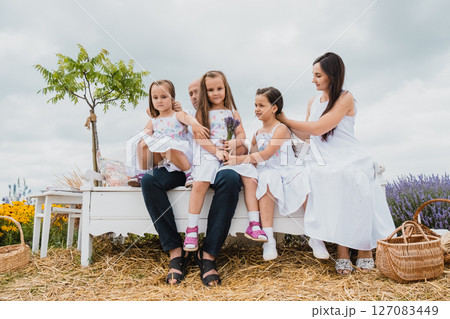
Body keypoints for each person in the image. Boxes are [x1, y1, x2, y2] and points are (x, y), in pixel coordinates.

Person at [277, 52, 395, 275]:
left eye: (318, 75)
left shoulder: (345, 97)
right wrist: (281, 126)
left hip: (348, 153)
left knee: (351, 176)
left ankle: (363, 248)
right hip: (323, 155)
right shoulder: (313, 102)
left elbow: (320, 127)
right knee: (320, 176)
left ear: (332, 75)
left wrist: (286, 119)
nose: (313, 79)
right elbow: (310, 136)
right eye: (313, 75)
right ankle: (341, 248)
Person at [141, 75, 243, 286]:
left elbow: (240, 138)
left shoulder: (197, 114)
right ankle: (176, 251)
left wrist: (233, 148)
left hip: (214, 163)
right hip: (183, 168)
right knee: (149, 181)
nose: (195, 96)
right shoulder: (185, 113)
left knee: (231, 178)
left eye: (198, 92)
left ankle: (208, 255)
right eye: (191, 93)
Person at [185, 70, 267, 256]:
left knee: (250, 177)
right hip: (210, 153)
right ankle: (191, 230)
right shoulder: (202, 113)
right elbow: (200, 139)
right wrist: (216, 151)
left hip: (229, 153)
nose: (216, 93)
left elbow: (241, 135)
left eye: (219, 88)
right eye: (211, 90)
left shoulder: (232, 112)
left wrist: (233, 143)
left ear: (226, 89)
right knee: (200, 183)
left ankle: (254, 224)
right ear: (205, 92)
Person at [225, 87, 310, 260]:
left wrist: (240, 160)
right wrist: (234, 158)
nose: (256, 108)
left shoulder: (281, 129)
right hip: (269, 170)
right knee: (266, 177)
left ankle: (315, 236)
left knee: (302, 178)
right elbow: (255, 159)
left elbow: (268, 153)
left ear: (274, 108)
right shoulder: (257, 133)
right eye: (255, 105)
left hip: (286, 169)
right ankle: (269, 240)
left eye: (261, 105)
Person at [137, 80, 208, 188]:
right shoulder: (154, 120)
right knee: (142, 143)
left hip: (176, 151)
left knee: (169, 148)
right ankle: (143, 172)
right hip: (160, 155)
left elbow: (187, 118)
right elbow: (145, 133)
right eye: (155, 98)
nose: (159, 101)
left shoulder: (177, 115)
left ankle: (189, 173)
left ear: (172, 99)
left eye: (164, 97)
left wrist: (194, 124)